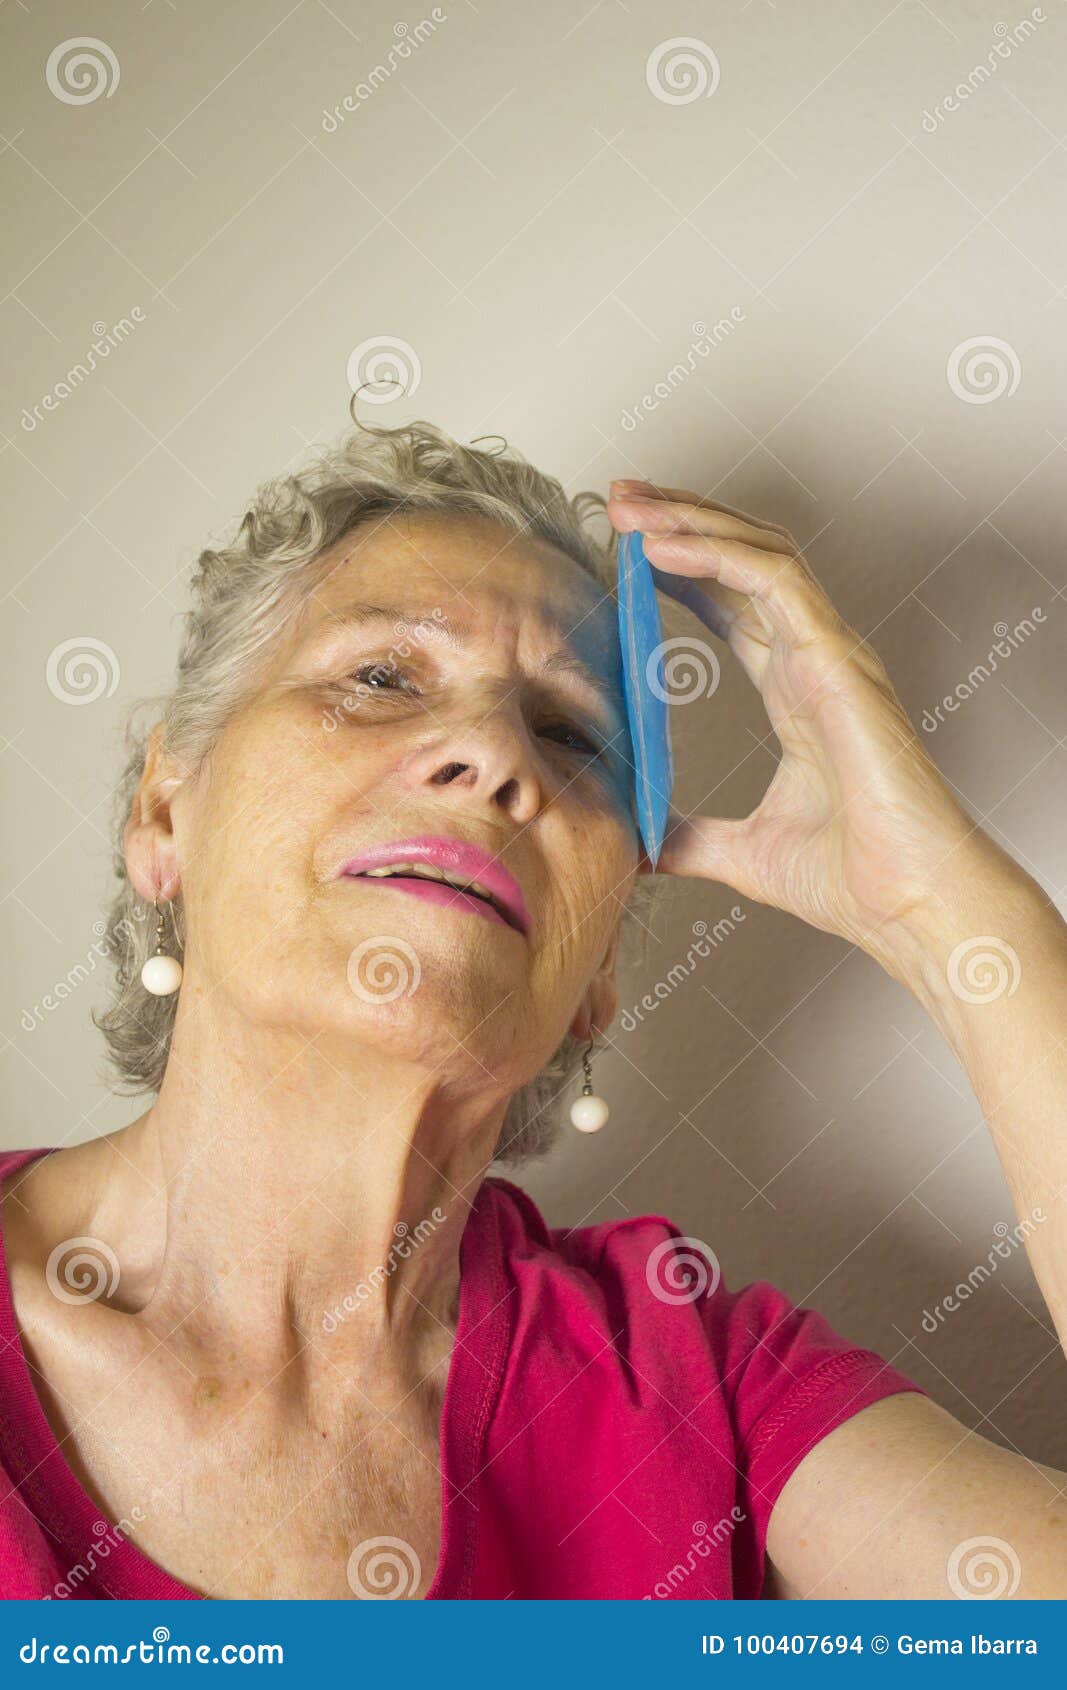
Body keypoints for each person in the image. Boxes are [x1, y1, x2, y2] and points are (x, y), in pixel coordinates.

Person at [2, 421, 1065, 1600]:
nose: (490, 752)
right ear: (164, 810)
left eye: (566, 734)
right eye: (381, 677)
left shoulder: (703, 1390)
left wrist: (946, 911)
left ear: (598, 968)